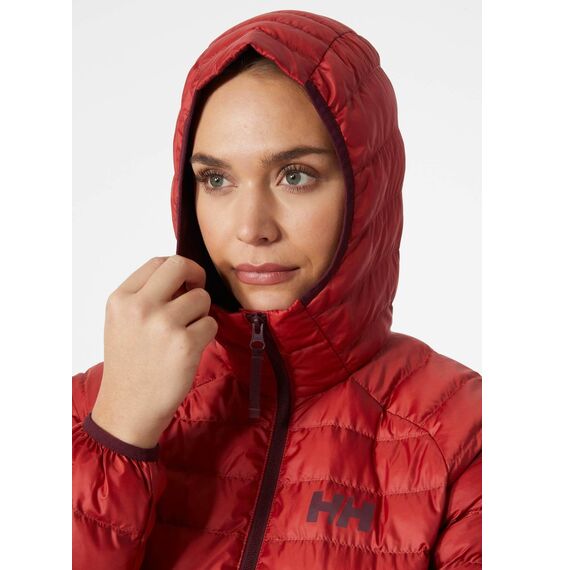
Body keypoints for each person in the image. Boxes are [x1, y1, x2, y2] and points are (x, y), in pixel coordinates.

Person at [72, 9, 482, 569]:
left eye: (295, 175)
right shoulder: (90, 409)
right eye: (217, 179)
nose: (251, 228)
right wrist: (116, 436)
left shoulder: (464, 434)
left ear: (368, 188)